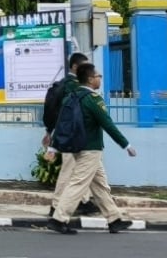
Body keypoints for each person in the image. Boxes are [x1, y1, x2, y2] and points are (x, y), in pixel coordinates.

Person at [45, 62, 136, 235]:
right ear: (90, 79)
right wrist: (126, 145)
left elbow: (61, 124)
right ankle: (59, 218)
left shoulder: (71, 97)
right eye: (98, 76)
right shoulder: (93, 99)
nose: (99, 78)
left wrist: (53, 148)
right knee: (78, 183)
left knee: (100, 185)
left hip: (78, 148)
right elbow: (107, 124)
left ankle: (114, 219)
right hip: (91, 150)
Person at [42, 51, 99, 217]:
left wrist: (50, 132)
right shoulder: (72, 86)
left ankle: (85, 202)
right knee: (68, 170)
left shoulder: (66, 84)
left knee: (83, 170)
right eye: (84, 66)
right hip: (71, 134)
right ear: (75, 67)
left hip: (73, 134)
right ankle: (56, 206)